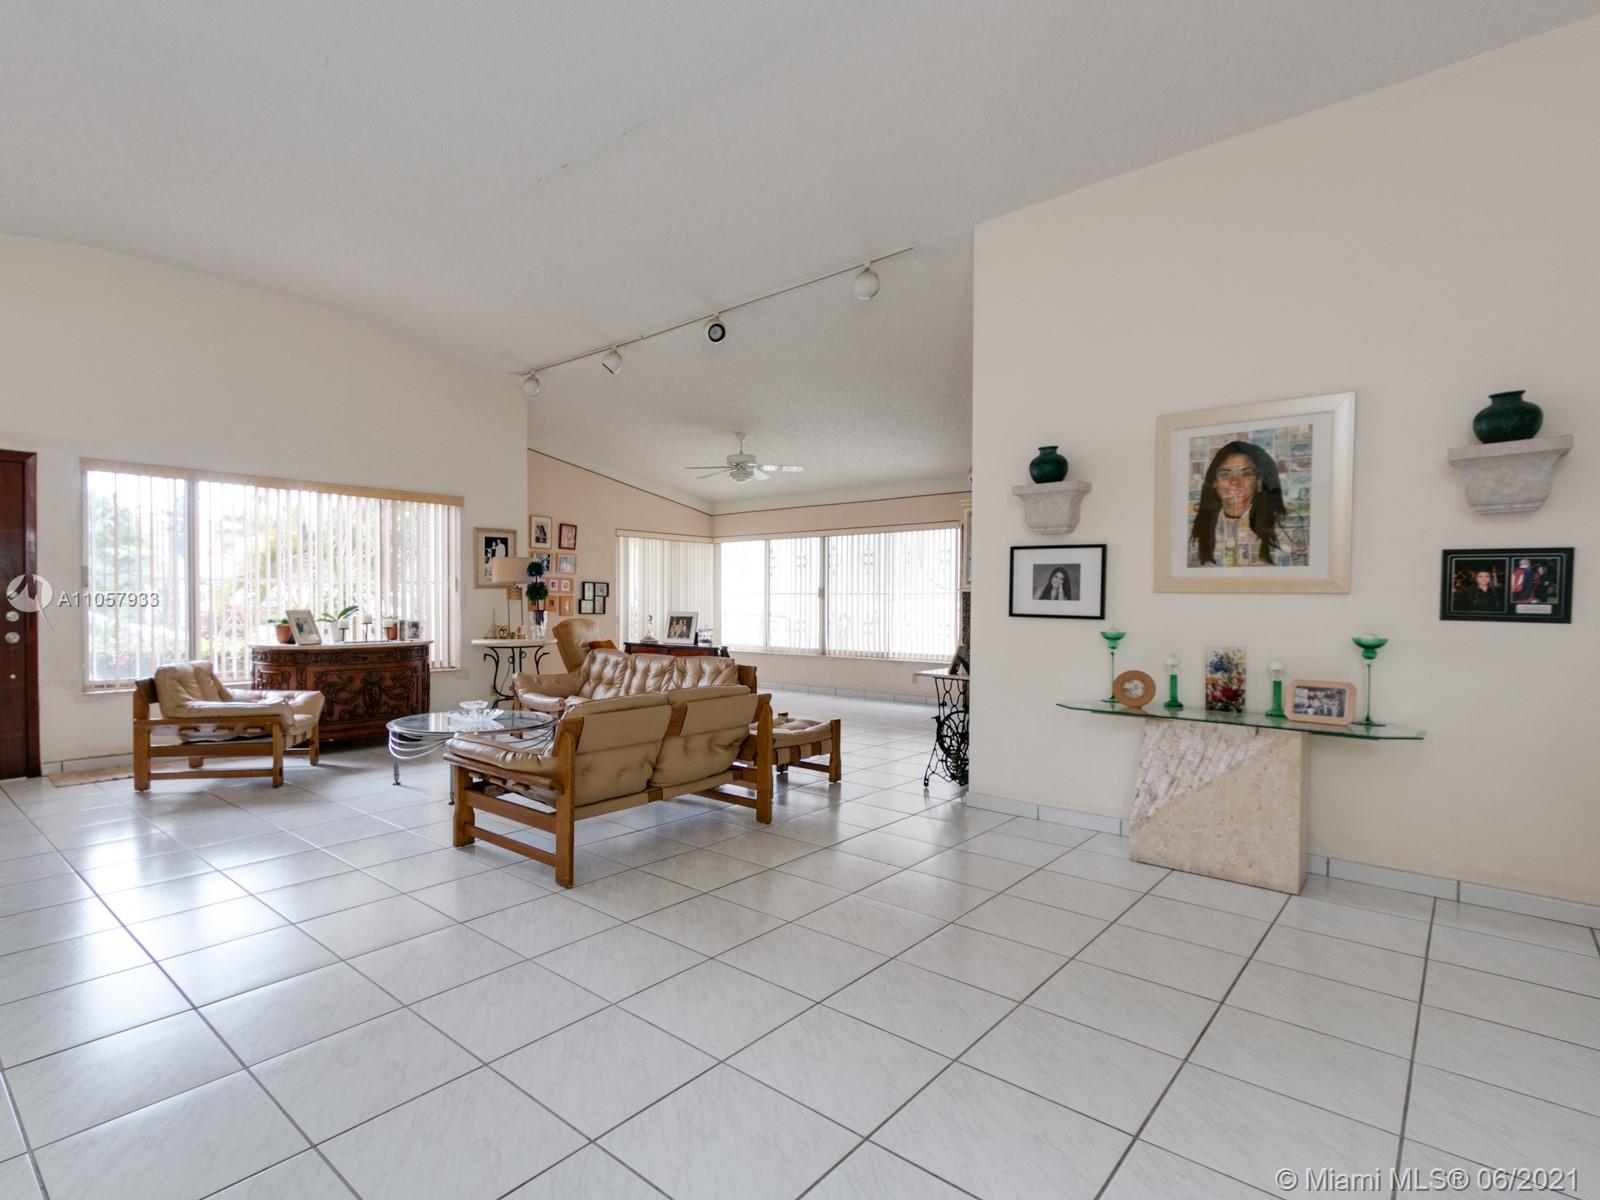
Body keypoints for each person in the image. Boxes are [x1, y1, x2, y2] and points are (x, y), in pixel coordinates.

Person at [1188, 440, 1295, 567]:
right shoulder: (1195, 529)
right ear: (1214, 482)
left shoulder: (1282, 528)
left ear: (1259, 481)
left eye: (1246, 474)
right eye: (1225, 474)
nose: (1235, 482)